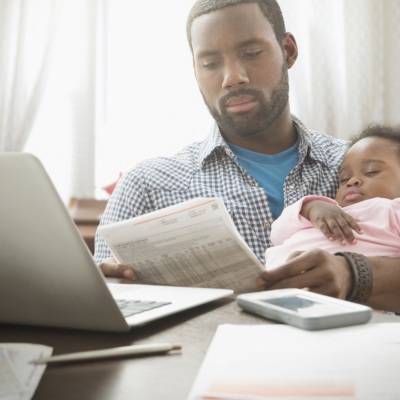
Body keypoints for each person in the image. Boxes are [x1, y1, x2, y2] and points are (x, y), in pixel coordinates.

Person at [94, 0, 400, 313]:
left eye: (251, 54)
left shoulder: (365, 168)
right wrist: (104, 288)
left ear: (288, 51)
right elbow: (97, 303)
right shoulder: (147, 185)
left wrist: (354, 275)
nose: (233, 77)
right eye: (211, 63)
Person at [263, 124, 400, 271]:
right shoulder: (328, 210)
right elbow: (277, 235)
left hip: (343, 286)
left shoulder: (393, 210)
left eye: (371, 171)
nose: (352, 181)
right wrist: (310, 208)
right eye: (344, 178)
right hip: (272, 282)